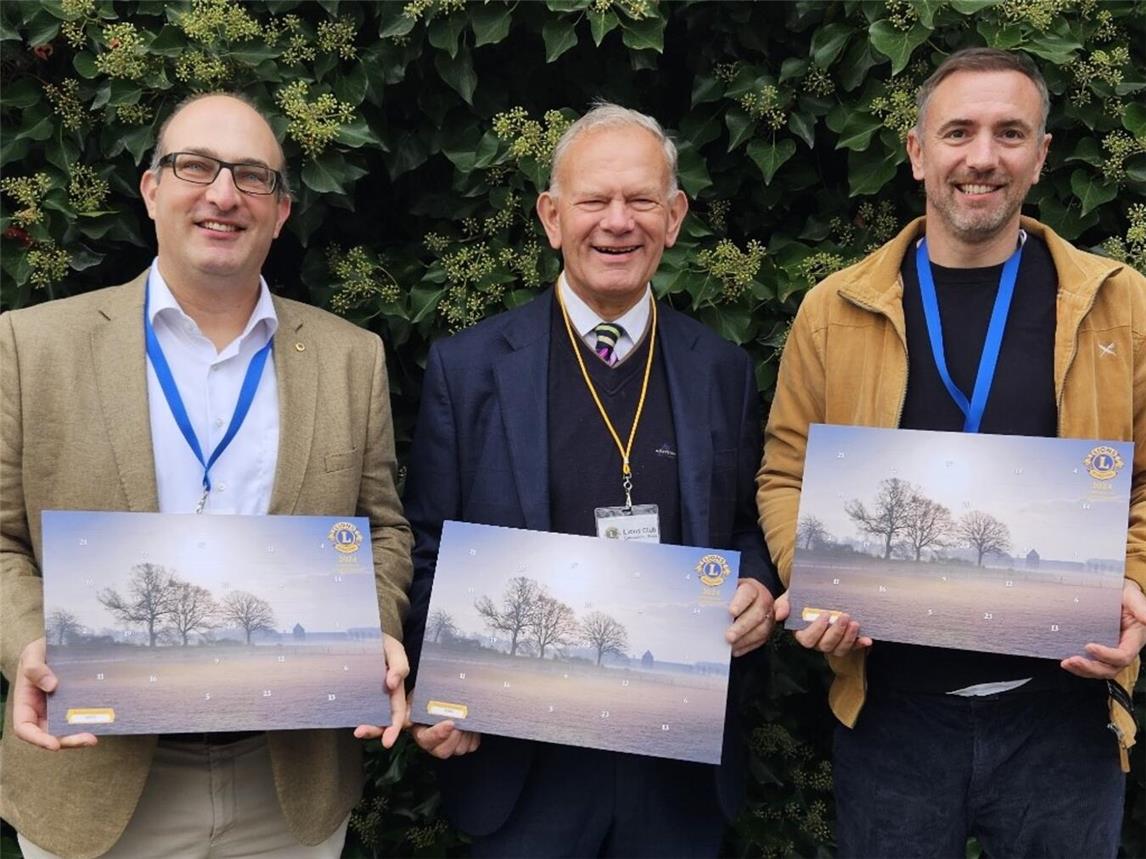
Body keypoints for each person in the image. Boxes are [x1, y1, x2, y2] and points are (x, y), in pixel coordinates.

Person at [0, 93, 413, 859]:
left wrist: (375, 627)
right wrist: (27, 643)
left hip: (286, 785)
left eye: (253, 176)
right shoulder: (31, 347)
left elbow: (384, 530)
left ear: (280, 212)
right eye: (196, 166)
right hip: (96, 776)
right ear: (152, 188)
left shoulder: (350, 358)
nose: (223, 194)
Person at [758, 47, 1146, 857]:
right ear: (917, 152)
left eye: (1011, 133)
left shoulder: (1120, 305)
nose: (982, 157)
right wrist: (815, 579)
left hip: (1063, 716)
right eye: (959, 132)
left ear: (1040, 156)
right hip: (892, 714)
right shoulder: (835, 309)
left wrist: (1136, 584)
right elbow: (787, 472)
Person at [401, 103, 780, 857]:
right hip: (520, 765)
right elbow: (426, 548)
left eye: (641, 200)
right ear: (552, 217)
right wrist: (436, 688)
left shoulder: (722, 370)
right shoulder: (467, 369)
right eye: (593, 200)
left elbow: (747, 524)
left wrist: (760, 588)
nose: (618, 222)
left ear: (674, 218)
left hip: (676, 772)